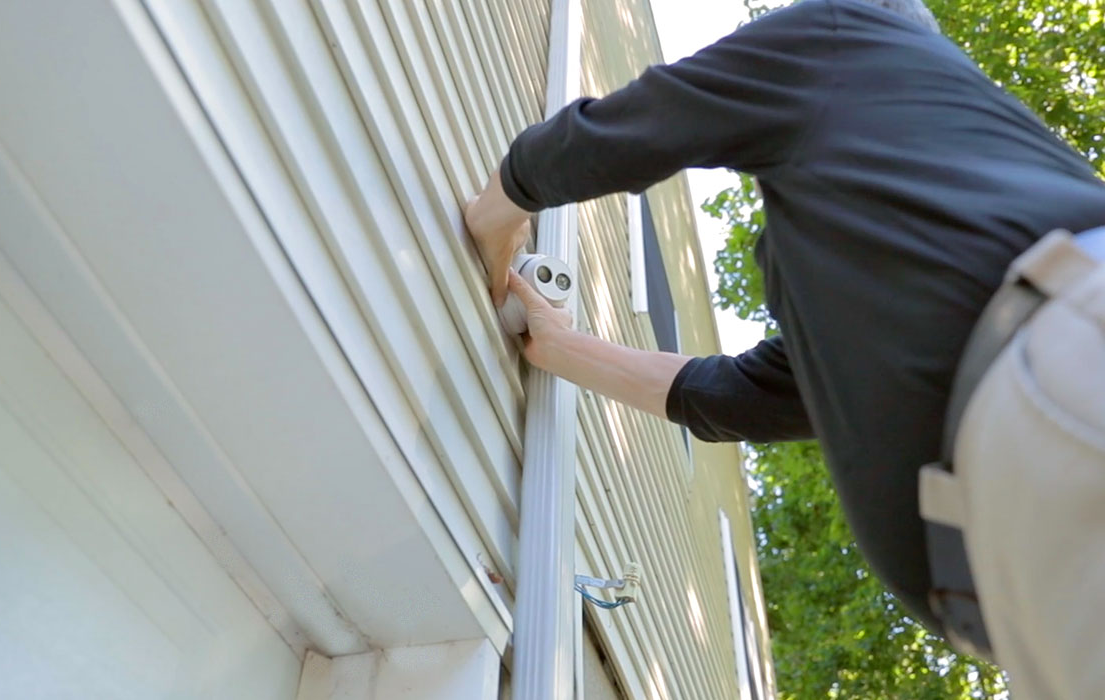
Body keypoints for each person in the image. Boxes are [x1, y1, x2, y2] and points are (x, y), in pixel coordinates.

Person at [463, 0, 1105, 696]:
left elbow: (635, 128)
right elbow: (741, 396)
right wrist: (563, 350)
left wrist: (494, 214)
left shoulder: (849, 29)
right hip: (1030, 596)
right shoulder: (880, 274)